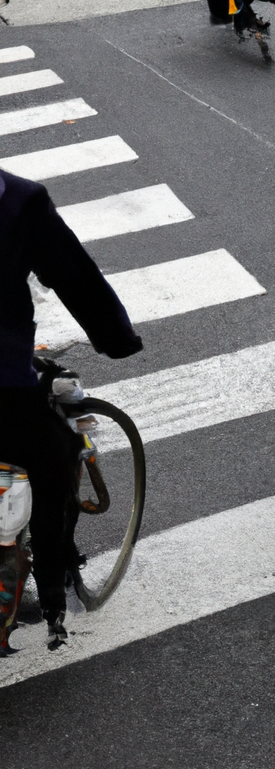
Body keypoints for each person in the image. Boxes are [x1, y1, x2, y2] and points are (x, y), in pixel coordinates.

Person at [0, 170, 142, 647]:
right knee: (53, 461)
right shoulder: (18, 199)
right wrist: (117, 340)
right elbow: (74, 276)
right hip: (4, 383)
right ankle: (52, 584)